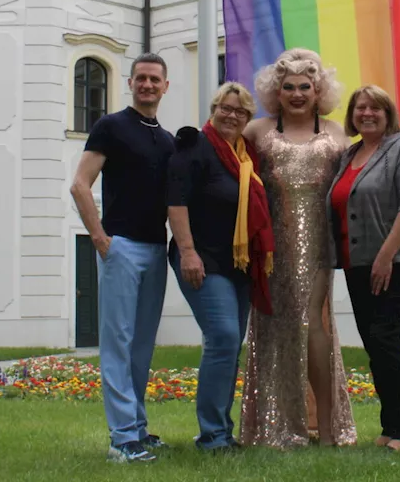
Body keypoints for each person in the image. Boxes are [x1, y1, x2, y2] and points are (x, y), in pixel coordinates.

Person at [239, 48, 357, 448]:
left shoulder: (337, 133)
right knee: (274, 332)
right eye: (287, 86)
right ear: (276, 91)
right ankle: (274, 427)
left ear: (318, 88)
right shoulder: (257, 132)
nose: (296, 94)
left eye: (304, 86)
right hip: (272, 252)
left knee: (314, 329)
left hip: (320, 248)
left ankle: (325, 426)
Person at [69, 53, 175, 464]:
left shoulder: (166, 140)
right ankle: (121, 440)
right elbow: (80, 185)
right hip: (121, 247)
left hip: (155, 248)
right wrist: (99, 238)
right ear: (130, 83)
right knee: (118, 343)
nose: (148, 85)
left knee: (142, 347)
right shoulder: (110, 127)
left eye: (155, 80)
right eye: (141, 78)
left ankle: (139, 430)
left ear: (166, 87)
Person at [168, 82, 275, 452]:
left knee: (230, 344)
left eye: (240, 111)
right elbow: (176, 199)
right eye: (225, 108)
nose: (231, 115)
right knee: (224, 337)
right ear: (213, 109)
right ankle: (212, 434)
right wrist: (187, 251)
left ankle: (222, 432)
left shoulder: (246, 156)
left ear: (248, 118)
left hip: (238, 263)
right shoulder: (195, 144)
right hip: (202, 258)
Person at [327, 85, 400, 451]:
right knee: (375, 345)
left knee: (386, 339)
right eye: (360, 108)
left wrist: (386, 256)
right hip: (357, 264)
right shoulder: (349, 154)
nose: (366, 113)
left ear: (388, 114)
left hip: (396, 260)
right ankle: (390, 427)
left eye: (375, 108)